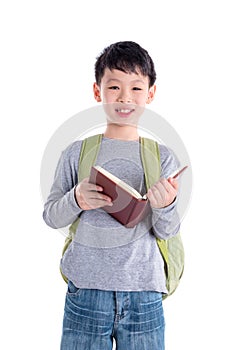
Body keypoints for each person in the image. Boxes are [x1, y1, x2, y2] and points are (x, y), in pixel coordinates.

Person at [43, 41, 180, 350]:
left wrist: (165, 204)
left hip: (145, 295)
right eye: (114, 86)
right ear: (97, 92)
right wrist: (77, 199)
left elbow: (168, 231)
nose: (124, 97)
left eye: (135, 88)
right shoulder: (76, 153)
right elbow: (51, 216)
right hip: (86, 293)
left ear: (150, 94)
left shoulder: (162, 157)